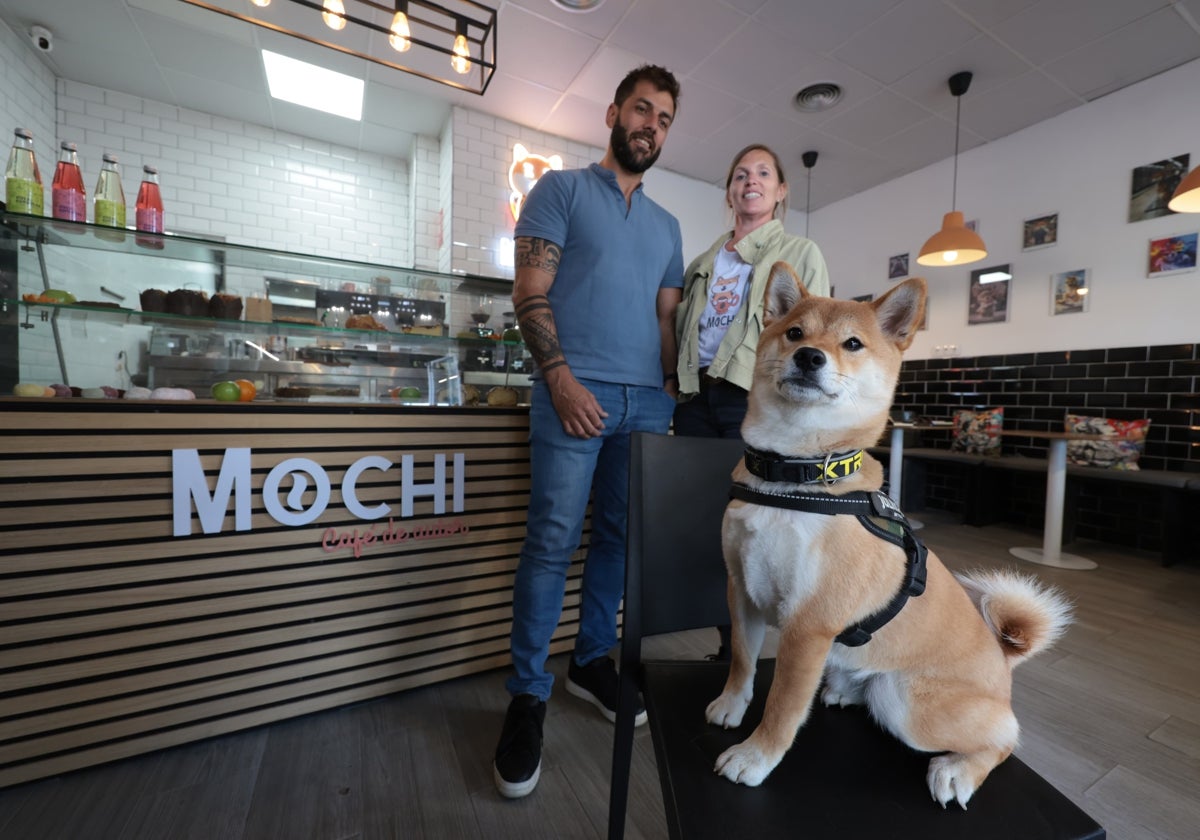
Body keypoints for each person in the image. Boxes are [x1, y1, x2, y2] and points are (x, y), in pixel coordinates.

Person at [492, 64, 684, 800]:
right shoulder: (560, 190)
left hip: (645, 407)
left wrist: (667, 393)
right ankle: (527, 696)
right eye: (643, 110)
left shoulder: (667, 225)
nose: (651, 126)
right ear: (613, 113)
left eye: (665, 119)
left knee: (618, 540)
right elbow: (528, 292)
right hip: (574, 392)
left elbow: (666, 320)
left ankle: (592, 660)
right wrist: (562, 381)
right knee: (550, 540)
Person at [673, 143, 830, 658]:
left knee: (753, 520)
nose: (750, 181)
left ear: (782, 191)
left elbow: (815, 333)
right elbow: (686, 331)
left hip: (751, 400)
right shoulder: (702, 261)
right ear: (730, 190)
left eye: (763, 173)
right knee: (704, 519)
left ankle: (775, 647)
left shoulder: (801, 253)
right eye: (740, 174)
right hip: (696, 398)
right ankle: (727, 644)